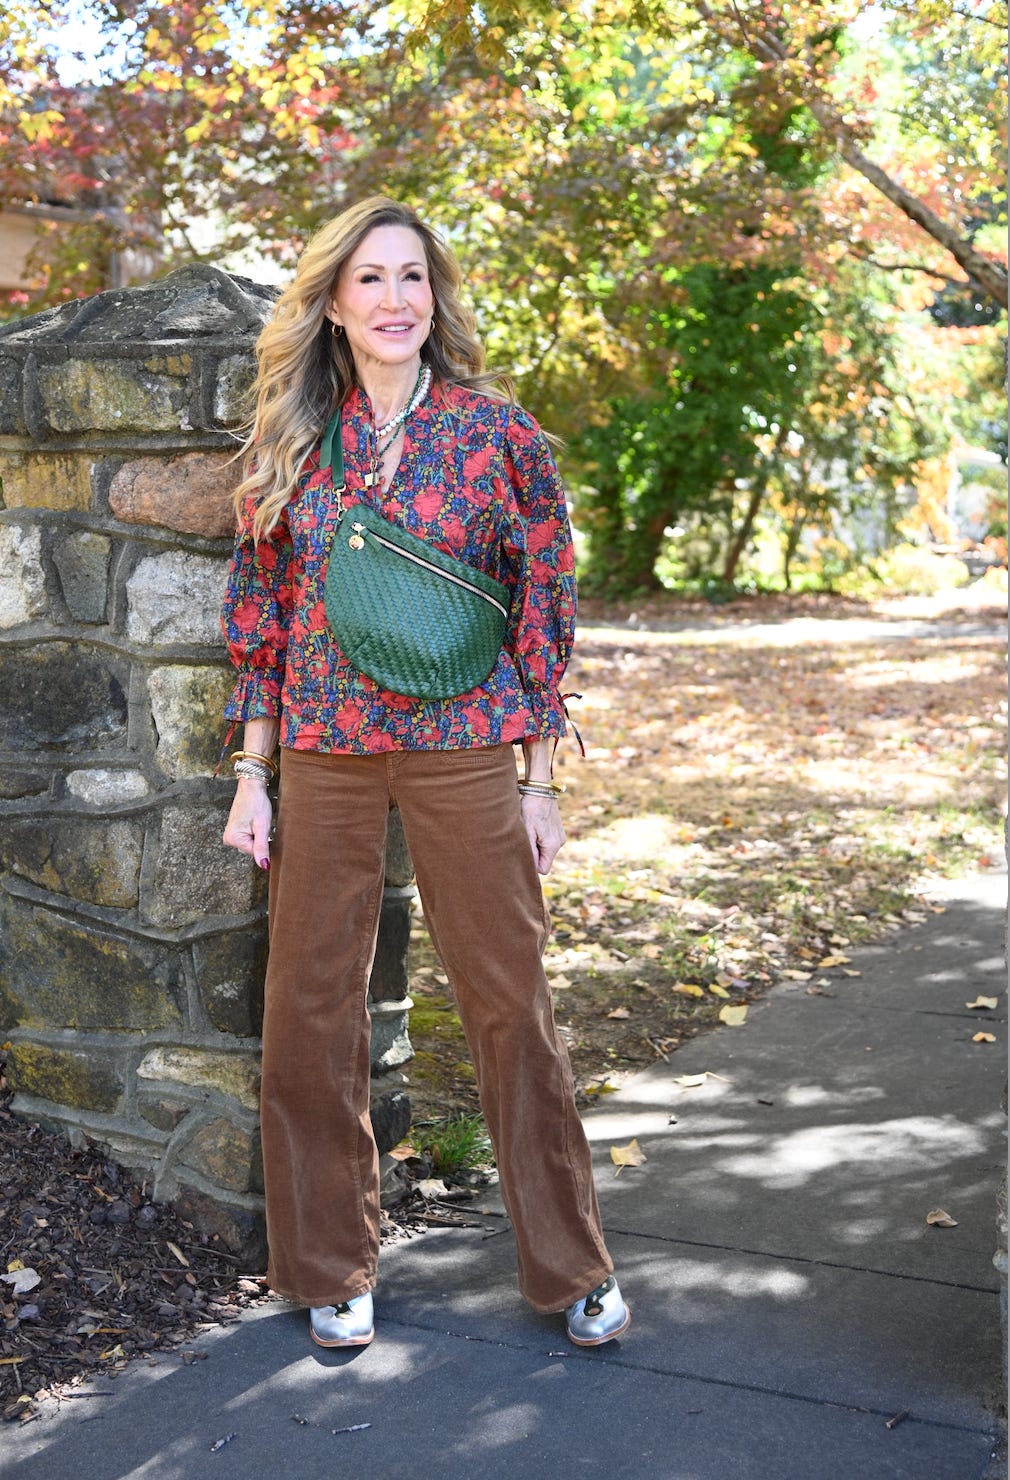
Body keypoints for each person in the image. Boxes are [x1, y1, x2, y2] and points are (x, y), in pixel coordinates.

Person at [220, 195, 629, 1351]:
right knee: (308, 1008)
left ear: (434, 296)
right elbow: (261, 619)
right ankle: (327, 1264)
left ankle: (570, 1264)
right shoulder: (292, 445)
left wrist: (537, 783)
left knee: (510, 1002)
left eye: (412, 277)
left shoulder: (496, 432)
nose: (394, 299)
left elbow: (542, 607)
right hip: (323, 751)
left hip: (464, 747)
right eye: (370, 279)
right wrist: (251, 775)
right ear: (333, 305)